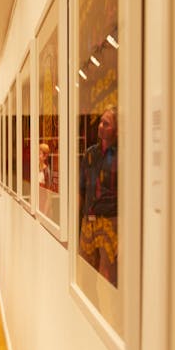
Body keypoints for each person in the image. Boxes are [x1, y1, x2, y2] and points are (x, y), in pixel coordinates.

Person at [78, 106, 119, 285]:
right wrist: (79, 220)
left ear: (117, 130)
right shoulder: (89, 154)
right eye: (100, 122)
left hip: (110, 221)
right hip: (89, 220)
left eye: (106, 123)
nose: (100, 126)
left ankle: (108, 313)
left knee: (107, 276)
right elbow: (82, 190)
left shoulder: (122, 156)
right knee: (85, 273)